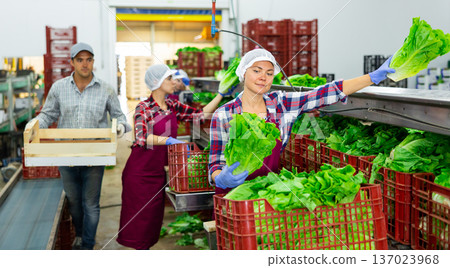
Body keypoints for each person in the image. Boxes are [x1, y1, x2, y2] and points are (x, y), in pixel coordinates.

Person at [208, 48, 395, 193]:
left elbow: (323, 93)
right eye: (257, 71)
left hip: (265, 190)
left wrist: (372, 77)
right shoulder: (223, 114)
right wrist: (220, 178)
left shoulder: (281, 103)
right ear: (243, 73)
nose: (263, 77)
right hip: (231, 196)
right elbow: (215, 164)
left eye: (269, 73)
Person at [117, 63, 233, 250]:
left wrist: (220, 93)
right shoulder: (143, 107)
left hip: (157, 175)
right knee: (137, 225)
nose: (174, 82)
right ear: (157, 82)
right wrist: (169, 141)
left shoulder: (171, 105)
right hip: (138, 175)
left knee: (152, 223)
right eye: (169, 78)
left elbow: (200, 115)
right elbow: (142, 136)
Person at [28, 42, 131, 249]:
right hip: (66, 154)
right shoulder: (59, 88)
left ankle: (88, 246)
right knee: (74, 202)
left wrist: (119, 126)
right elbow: (49, 114)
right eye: (80, 60)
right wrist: (35, 123)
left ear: (93, 62)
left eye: (89, 59)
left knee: (91, 203)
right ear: (72, 62)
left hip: (96, 154)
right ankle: (81, 233)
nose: (85, 64)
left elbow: (120, 117)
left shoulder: (106, 89)